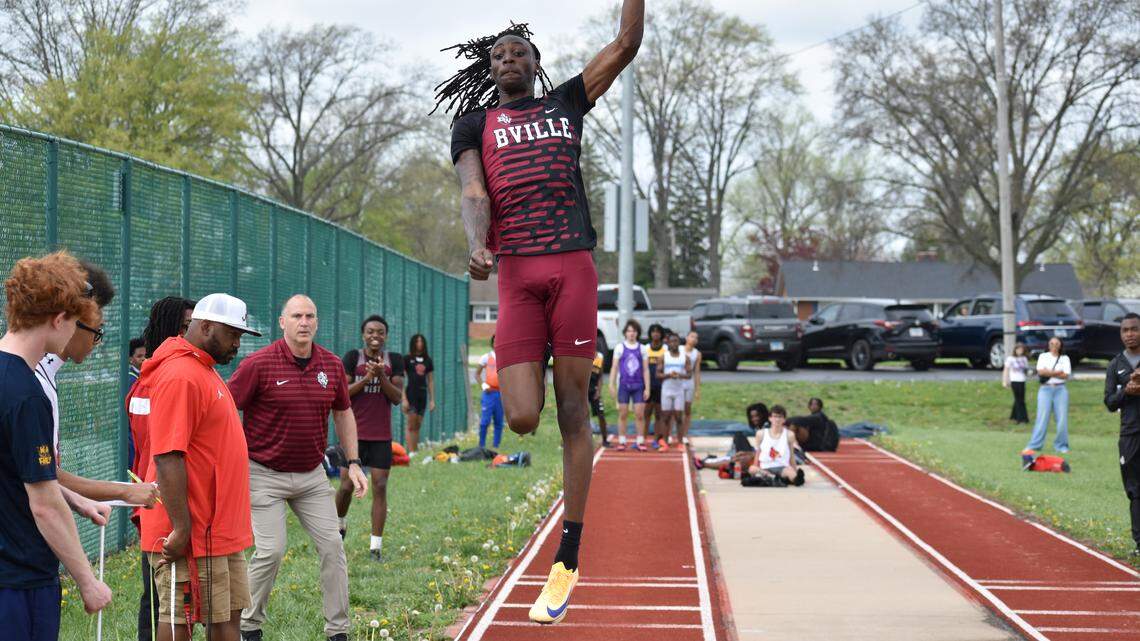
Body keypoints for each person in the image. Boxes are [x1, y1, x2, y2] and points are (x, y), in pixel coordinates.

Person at [441, 3, 643, 622]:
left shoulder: (566, 104)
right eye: (498, 55)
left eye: (519, 53)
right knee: (525, 417)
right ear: (490, 67)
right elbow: (475, 192)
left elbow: (626, 43)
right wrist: (478, 244)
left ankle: (569, 555)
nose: (509, 60)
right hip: (518, 275)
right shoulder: (473, 124)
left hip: (573, 266)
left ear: (534, 62)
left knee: (573, 409)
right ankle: (549, 375)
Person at [228, 295, 368, 641]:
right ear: (282, 322)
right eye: (296, 316)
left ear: (316, 323)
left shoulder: (332, 365)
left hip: (311, 475)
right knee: (272, 550)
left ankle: (338, 632)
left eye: (309, 316)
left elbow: (343, 412)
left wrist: (353, 462)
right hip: (263, 473)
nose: (303, 322)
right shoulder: (258, 365)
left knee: (333, 547)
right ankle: (249, 625)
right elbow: (226, 410)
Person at [0, 252, 112, 641]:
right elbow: (44, 506)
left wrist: (76, 499)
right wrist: (88, 581)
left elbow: (16, 468)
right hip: (21, 579)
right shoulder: (29, 396)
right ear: (59, 319)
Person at [136, 293, 260, 641]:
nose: (238, 343)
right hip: (192, 532)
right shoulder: (180, 374)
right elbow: (167, 456)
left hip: (217, 530)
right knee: (178, 620)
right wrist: (181, 528)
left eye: (240, 335)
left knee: (226, 621)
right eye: (233, 333)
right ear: (205, 326)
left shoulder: (201, 368)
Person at [130, 295, 196, 641]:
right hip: (156, 501)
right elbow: (154, 449)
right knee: (157, 598)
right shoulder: (152, 383)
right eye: (186, 327)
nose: (193, 334)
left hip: (183, 503)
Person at [335, 315, 405, 561]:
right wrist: (366, 379)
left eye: (380, 332)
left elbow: (397, 397)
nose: (375, 336)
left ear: (386, 336)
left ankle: (375, 547)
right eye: (370, 332)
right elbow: (344, 393)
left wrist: (381, 377)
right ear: (363, 334)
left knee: (380, 486)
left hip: (380, 435)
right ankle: (339, 526)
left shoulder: (394, 360)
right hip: (353, 433)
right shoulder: (353, 358)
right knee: (345, 485)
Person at [1104, 313, 1140, 557]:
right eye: (1125, 330)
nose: (1129, 334)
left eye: (1134, 329)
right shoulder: (1116, 365)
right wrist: (1127, 391)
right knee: (1135, 490)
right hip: (1129, 434)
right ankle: (1139, 543)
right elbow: (1109, 402)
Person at [609, 320, 651, 452]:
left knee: (639, 414)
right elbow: (614, 367)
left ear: (637, 333)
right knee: (623, 413)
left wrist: (647, 388)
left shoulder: (642, 348)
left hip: (638, 385)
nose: (631, 333)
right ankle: (622, 441)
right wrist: (611, 384)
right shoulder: (620, 348)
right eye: (629, 331)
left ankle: (640, 441)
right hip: (624, 385)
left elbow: (645, 369)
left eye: (634, 331)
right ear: (625, 333)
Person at [1025, 337, 1072, 454]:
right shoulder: (1043, 356)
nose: (1054, 345)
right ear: (1048, 345)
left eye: (1057, 343)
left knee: (1061, 419)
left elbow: (1066, 375)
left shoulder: (1065, 358)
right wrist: (1057, 372)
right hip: (1045, 390)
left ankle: (1061, 445)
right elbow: (1040, 372)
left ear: (1060, 345)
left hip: (1060, 390)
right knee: (1042, 418)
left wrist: (1049, 372)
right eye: (1051, 343)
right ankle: (1034, 445)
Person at [747, 405, 804, 486]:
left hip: (782, 467)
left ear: (784, 419)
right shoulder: (761, 434)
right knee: (752, 469)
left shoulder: (789, 435)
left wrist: (795, 471)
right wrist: (756, 466)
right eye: (775, 416)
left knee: (791, 473)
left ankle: (793, 479)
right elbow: (758, 453)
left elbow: (791, 455)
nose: (777, 419)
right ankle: (773, 477)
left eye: (780, 417)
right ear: (770, 418)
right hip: (765, 468)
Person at [656, 332, 691, 452]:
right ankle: (665, 442)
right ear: (668, 343)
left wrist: (679, 375)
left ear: (679, 343)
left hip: (678, 391)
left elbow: (689, 374)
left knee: (678, 417)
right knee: (665, 417)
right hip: (666, 390)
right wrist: (668, 375)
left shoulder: (684, 357)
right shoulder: (663, 357)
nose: (674, 343)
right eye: (671, 341)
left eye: (676, 341)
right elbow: (657, 374)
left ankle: (680, 442)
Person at [401, 333, 434, 454]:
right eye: (417, 341)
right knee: (411, 422)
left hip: (423, 394)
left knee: (418, 424)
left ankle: (415, 450)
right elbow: (402, 380)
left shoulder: (428, 360)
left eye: (421, 342)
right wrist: (403, 399)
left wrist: (432, 400)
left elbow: (430, 380)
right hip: (411, 394)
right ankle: (410, 451)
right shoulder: (407, 359)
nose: (419, 344)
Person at [474, 335, 505, 449]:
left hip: (501, 394)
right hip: (488, 394)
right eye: (495, 341)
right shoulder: (486, 357)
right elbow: (477, 374)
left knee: (499, 421)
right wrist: (483, 385)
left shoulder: (505, 357)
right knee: (485, 421)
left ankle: (496, 445)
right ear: (492, 343)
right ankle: (481, 445)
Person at [645, 324, 666, 447]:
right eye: (653, 332)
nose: (655, 334)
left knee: (659, 414)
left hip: (661, 386)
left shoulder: (666, 349)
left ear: (661, 334)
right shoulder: (645, 348)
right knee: (646, 413)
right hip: (648, 385)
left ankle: (657, 439)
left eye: (658, 332)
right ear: (650, 334)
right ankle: (643, 438)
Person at [680, 331, 701, 446]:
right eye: (692, 336)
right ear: (687, 337)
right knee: (676, 409)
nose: (694, 339)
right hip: (677, 383)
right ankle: (672, 434)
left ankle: (684, 434)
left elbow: (697, 372)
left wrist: (697, 389)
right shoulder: (679, 349)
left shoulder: (697, 354)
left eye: (696, 337)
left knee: (687, 409)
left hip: (689, 384)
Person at [1003, 343, 1031, 424]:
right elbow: (1006, 370)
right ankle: (1022, 419)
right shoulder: (1010, 359)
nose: (1020, 351)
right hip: (1014, 381)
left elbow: (1025, 370)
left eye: (1021, 349)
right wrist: (1005, 381)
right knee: (1020, 400)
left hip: (1022, 381)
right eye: (1018, 349)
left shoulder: (1024, 359)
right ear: (1015, 350)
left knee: (1019, 399)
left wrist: (1030, 373)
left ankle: (1014, 416)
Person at [588, 350, 608, 446]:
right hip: (582, 390)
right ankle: (564, 442)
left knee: (601, 415)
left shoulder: (600, 356)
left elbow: (600, 376)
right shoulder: (583, 353)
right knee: (576, 416)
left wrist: (598, 391)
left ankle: (605, 440)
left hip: (594, 390)